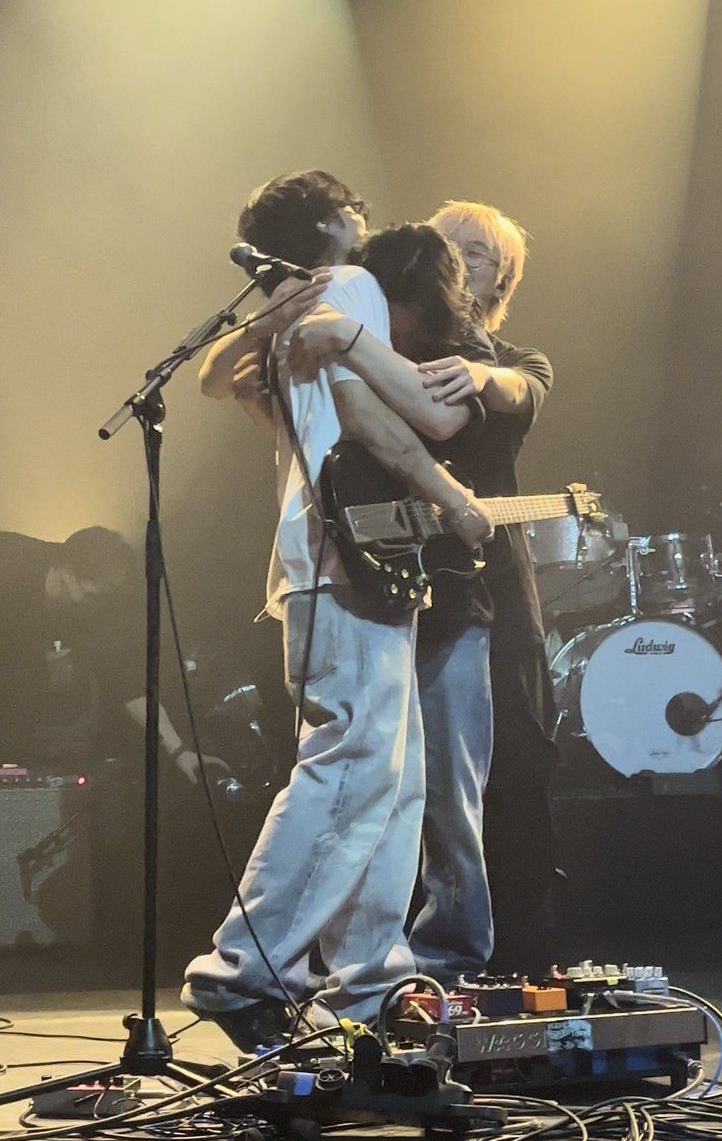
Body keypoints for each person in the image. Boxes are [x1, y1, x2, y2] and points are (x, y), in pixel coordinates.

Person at [181, 170, 494, 1048]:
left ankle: (366, 982)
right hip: (343, 562)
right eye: (351, 209)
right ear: (329, 222)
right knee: (353, 768)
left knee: (393, 782)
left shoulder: (287, 315)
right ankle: (243, 969)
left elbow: (240, 384)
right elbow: (390, 421)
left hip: (335, 561)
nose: (365, 219)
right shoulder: (345, 286)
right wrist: (451, 486)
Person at [294, 201, 556, 976]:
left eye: (476, 253)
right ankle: (348, 957)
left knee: (448, 793)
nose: (454, 256)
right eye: (447, 242)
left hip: (459, 597)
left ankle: (449, 960)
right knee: (360, 781)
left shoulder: (509, 358)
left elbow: (500, 394)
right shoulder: (362, 330)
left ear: (497, 281)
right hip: (361, 590)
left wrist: (479, 371)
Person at [0, 527, 226, 785]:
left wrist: (178, 750)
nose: (95, 597)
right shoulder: (10, 557)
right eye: (94, 588)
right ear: (67, 571)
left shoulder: (90, 613)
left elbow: (126, 684)